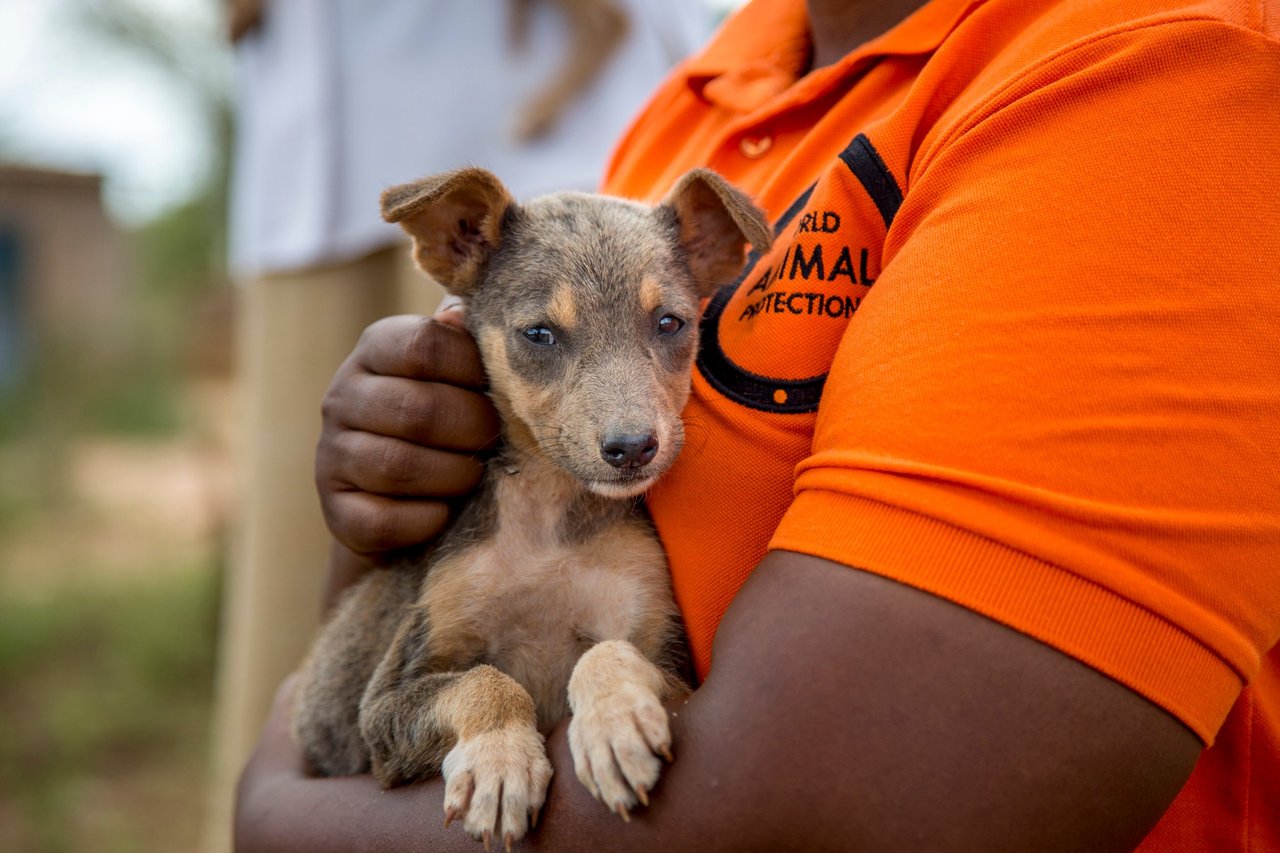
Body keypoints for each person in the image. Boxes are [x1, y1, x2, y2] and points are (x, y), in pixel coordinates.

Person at [233, 0, 1280, 850]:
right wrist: (397, 472)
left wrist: (277, 816)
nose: (628, 414)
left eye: (666, 331)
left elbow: (835, 806)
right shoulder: (708, 79)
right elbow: (382, 646)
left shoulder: (1157, 70)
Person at [206, 2, 713, 850]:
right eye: (542, 339)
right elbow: (383, 713)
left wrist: (615, 672)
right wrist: (489, 711)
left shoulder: (637, 536)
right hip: (327, 123)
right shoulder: (471, 534)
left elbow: (688, 696)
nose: (632, 425)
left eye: (669, 328)